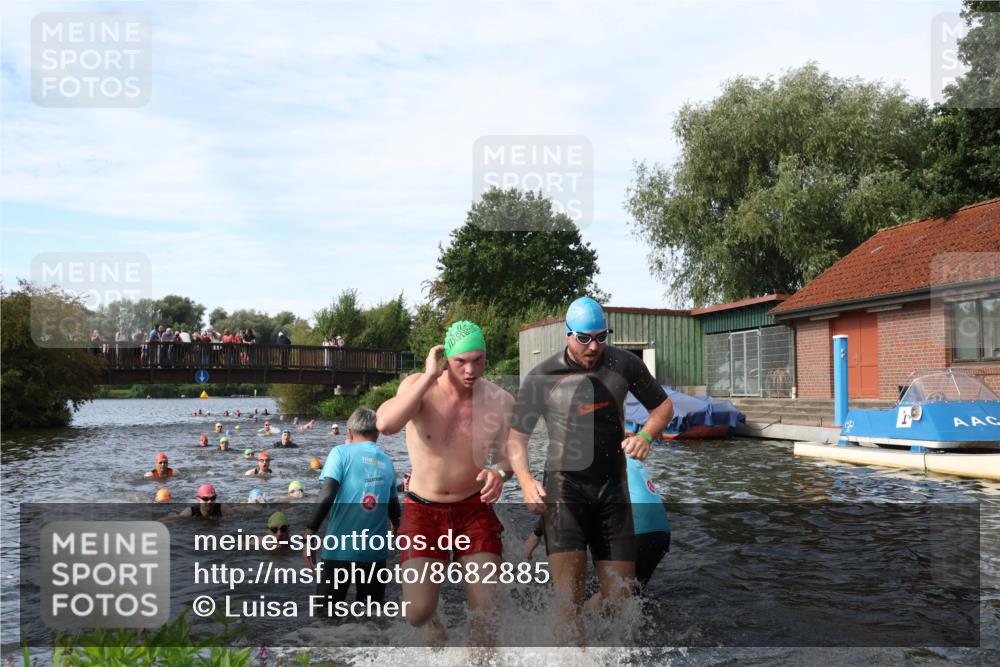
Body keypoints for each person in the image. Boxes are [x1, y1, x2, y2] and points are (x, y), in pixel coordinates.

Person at [506, 297, 674, 644]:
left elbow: (663, 407)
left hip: (613, 491)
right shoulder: (543, 376)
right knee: (568, 603)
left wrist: (646, 435)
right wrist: (524, 481)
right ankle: (571, 650)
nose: (594, 346)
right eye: (584, 338)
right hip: (566, 492)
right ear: (567, 334)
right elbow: (516, 438)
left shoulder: (624, 364)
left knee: (619, 601)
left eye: (601, 336)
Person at [375, 321, 512, 646]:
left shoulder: (500, 400)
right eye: (460, 361)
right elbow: (386, 424)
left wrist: (500, 473)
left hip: (474, 510)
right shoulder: (417, 386)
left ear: (486, 358)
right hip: (423, 511)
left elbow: (510, 457)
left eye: (477, 360)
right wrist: (427, 377)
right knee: (417, 613)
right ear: (446, 358)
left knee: (486, 611)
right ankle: (432, 626)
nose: (470, 369)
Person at [524, 457, 671, 602]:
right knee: (630, 599)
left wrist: (536, 534)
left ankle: (575, 621)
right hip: (660, 531)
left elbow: (556, 503)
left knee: (601, 600)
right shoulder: (617, 449)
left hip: (628, 528)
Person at [304, 407, 400, 616]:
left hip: (340, 550)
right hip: (375, 553)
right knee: (372, 618)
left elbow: (327, 493)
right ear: (378, 433)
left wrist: (311, 532)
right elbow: (394, 508)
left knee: (325, 618)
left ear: (349, 432)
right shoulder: (387, 461)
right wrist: (396, 530)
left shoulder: (340, 453)